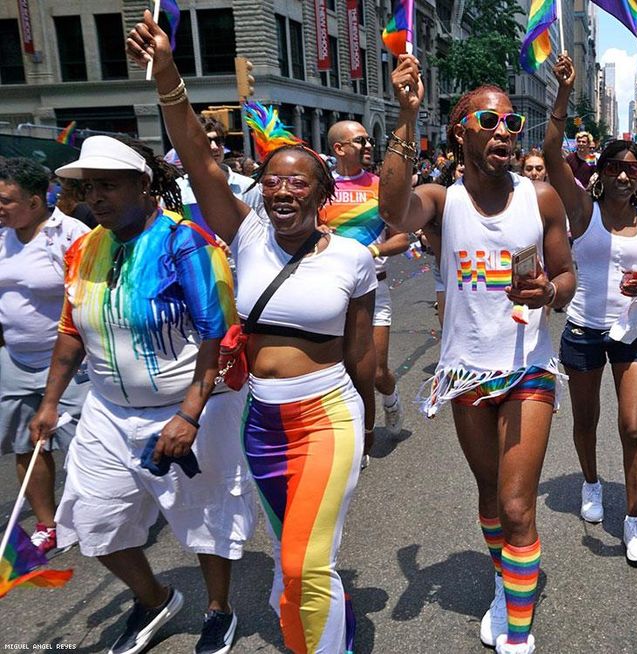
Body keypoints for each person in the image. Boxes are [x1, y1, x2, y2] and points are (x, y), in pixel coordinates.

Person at [129, 13, 377, 654]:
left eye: (298, 181)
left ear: (322, 194)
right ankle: (332, 625)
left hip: (328, 416)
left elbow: (359, 351)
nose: (282, 190)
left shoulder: (353, 258)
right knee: (296, 555)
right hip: (261, 422)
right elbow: (198, 160)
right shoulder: (247, 234)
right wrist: (168, 77)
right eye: (272, 181)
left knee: (302, 562)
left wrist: (369, 423)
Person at [28, 132, 255, 654]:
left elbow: (217, 333)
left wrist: (189, 415)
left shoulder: (186, 243)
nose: (95, 197)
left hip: (189, 408)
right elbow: (71, 330)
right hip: (107, 411)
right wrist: (49, 402)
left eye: (108, 185)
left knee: (206, 517)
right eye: (88, 187)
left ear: (143, 185)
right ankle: (154, 600)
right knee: (95, 520)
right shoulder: (83, 248)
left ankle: (218, 608)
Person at [379, 54, 575, 654]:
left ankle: (517, 632)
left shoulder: (541, 199)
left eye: (511, 124)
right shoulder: (442, 201)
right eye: (489, 122)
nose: (504, 133)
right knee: (490, 494)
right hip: (465, 372)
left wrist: (549, 292)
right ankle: (504, 578)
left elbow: (567, 277)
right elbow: (392, 211)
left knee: (517, 505)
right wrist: (405, 116)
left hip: (528, 367)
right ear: (461, 132)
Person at [543, 54, 637, 565]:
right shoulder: (581, 210)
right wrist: (564, 92)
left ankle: (634, 519)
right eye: (613, 167)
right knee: (586, 420)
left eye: (632, 169)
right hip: (583, 331)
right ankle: (591, 482)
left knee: (634, 427)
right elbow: (551, 154)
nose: (623, 175)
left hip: (633, 332)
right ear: (600, 172)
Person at [0, 158, 89, 554]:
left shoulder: (71, 235)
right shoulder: (2, 238)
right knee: (26, 444)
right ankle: (46, 524)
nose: (0, 208)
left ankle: (92, 517)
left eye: (6, 201)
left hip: (71, 366)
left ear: (35, 202)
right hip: (15, 360)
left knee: (83, 446)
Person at [321, 120, 410, 464]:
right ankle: (357, 437)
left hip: (375, 288)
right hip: (332, 290)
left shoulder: (379, 187)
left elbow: (402, 238)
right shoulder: (322, 188)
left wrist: (370, 251)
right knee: (343, 370)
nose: (368, 145)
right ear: (339, 148)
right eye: (360, 141)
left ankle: (390, 397)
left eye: (369, 140)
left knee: (375, 371)